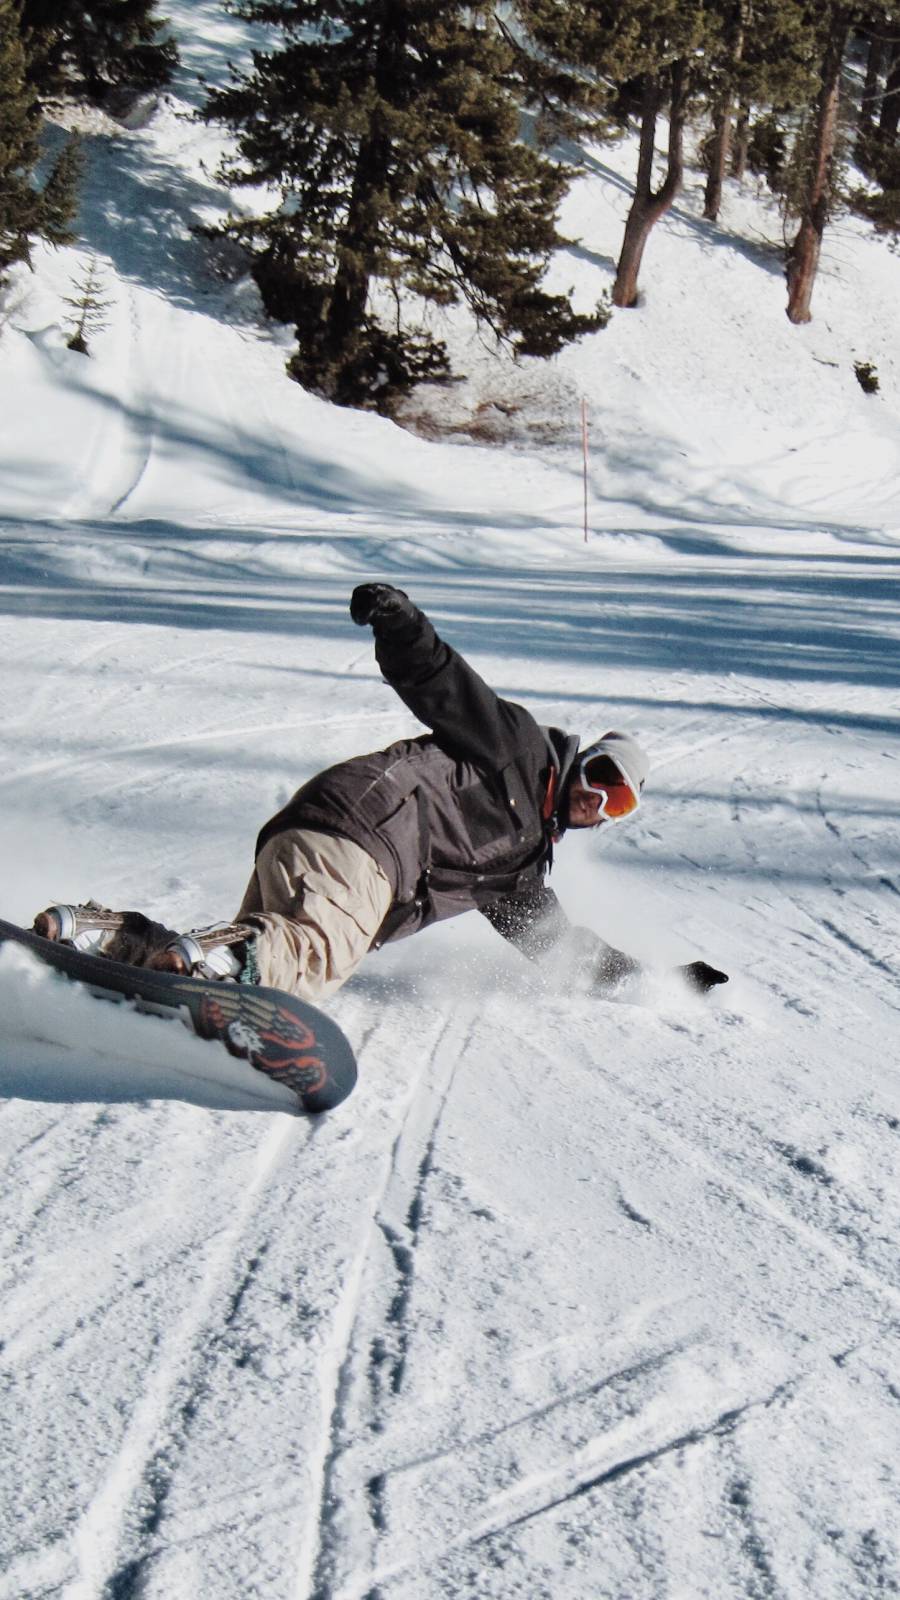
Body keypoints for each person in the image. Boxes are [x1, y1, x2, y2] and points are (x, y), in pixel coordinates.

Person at [34, 585, 728, 1001]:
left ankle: (104, 938)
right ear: (583, 761)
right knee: (313, 958)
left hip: (317, 839)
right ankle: (214, 959)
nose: (597, 802)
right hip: (363, 839)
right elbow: (443, 684)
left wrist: (659, 981)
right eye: (602, 779)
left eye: (618, 804)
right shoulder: (517, 748)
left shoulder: (518, 873)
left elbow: (559, 950)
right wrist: (400, 623)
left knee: (258, 959)